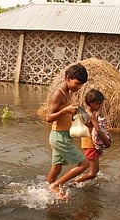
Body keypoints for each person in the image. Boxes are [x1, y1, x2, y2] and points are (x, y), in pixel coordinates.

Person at [45, 63, 90, 198]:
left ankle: (46, 188)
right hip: (58, 136)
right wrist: (66, 110)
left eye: (81, 85)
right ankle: (55, 185)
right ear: (68, 78)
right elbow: (48, 118)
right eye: (77, 83)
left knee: (57, 167)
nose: (79, 87)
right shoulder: (58, 95)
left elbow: (64, 115)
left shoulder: (67, 94)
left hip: (63, 135)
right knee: (84, 163)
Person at [74, 89, 112, 183]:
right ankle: (73, 183)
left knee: (96, 170)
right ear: (91, 103)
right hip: (90, 145)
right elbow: (98, 130)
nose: (99, 106)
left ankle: (80, 181)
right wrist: (107, 142)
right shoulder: (91, 115)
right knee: (92, 173)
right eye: (98, 104)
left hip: (87, 143)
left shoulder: (84, 112)